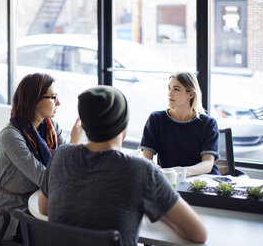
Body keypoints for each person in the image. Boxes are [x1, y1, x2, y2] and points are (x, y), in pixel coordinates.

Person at [38, 86, 207, 246]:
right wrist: (160, 211)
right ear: (124, 127)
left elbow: (44, 208)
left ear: (83, 125)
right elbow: (198, 234)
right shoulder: (140, 170)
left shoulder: (61, 155)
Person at [0, 73, 85, 241]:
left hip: (43, 201)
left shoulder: (51, 127)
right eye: (53, 97)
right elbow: (47, 179)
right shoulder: (11, 136)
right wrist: (74, 144)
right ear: (34, 100)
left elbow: (64, 166)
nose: (59, 103)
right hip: (17, 214)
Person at [140, 71, 220, 176]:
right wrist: (152, 166)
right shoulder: (156, 119)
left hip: (203, 182)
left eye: (176, 89)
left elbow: (208, 164)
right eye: (169, 88)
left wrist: (182, 172)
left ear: (191, 94)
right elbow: (146, 157)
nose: (170, 93)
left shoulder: (208, 123)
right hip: (171, 180)